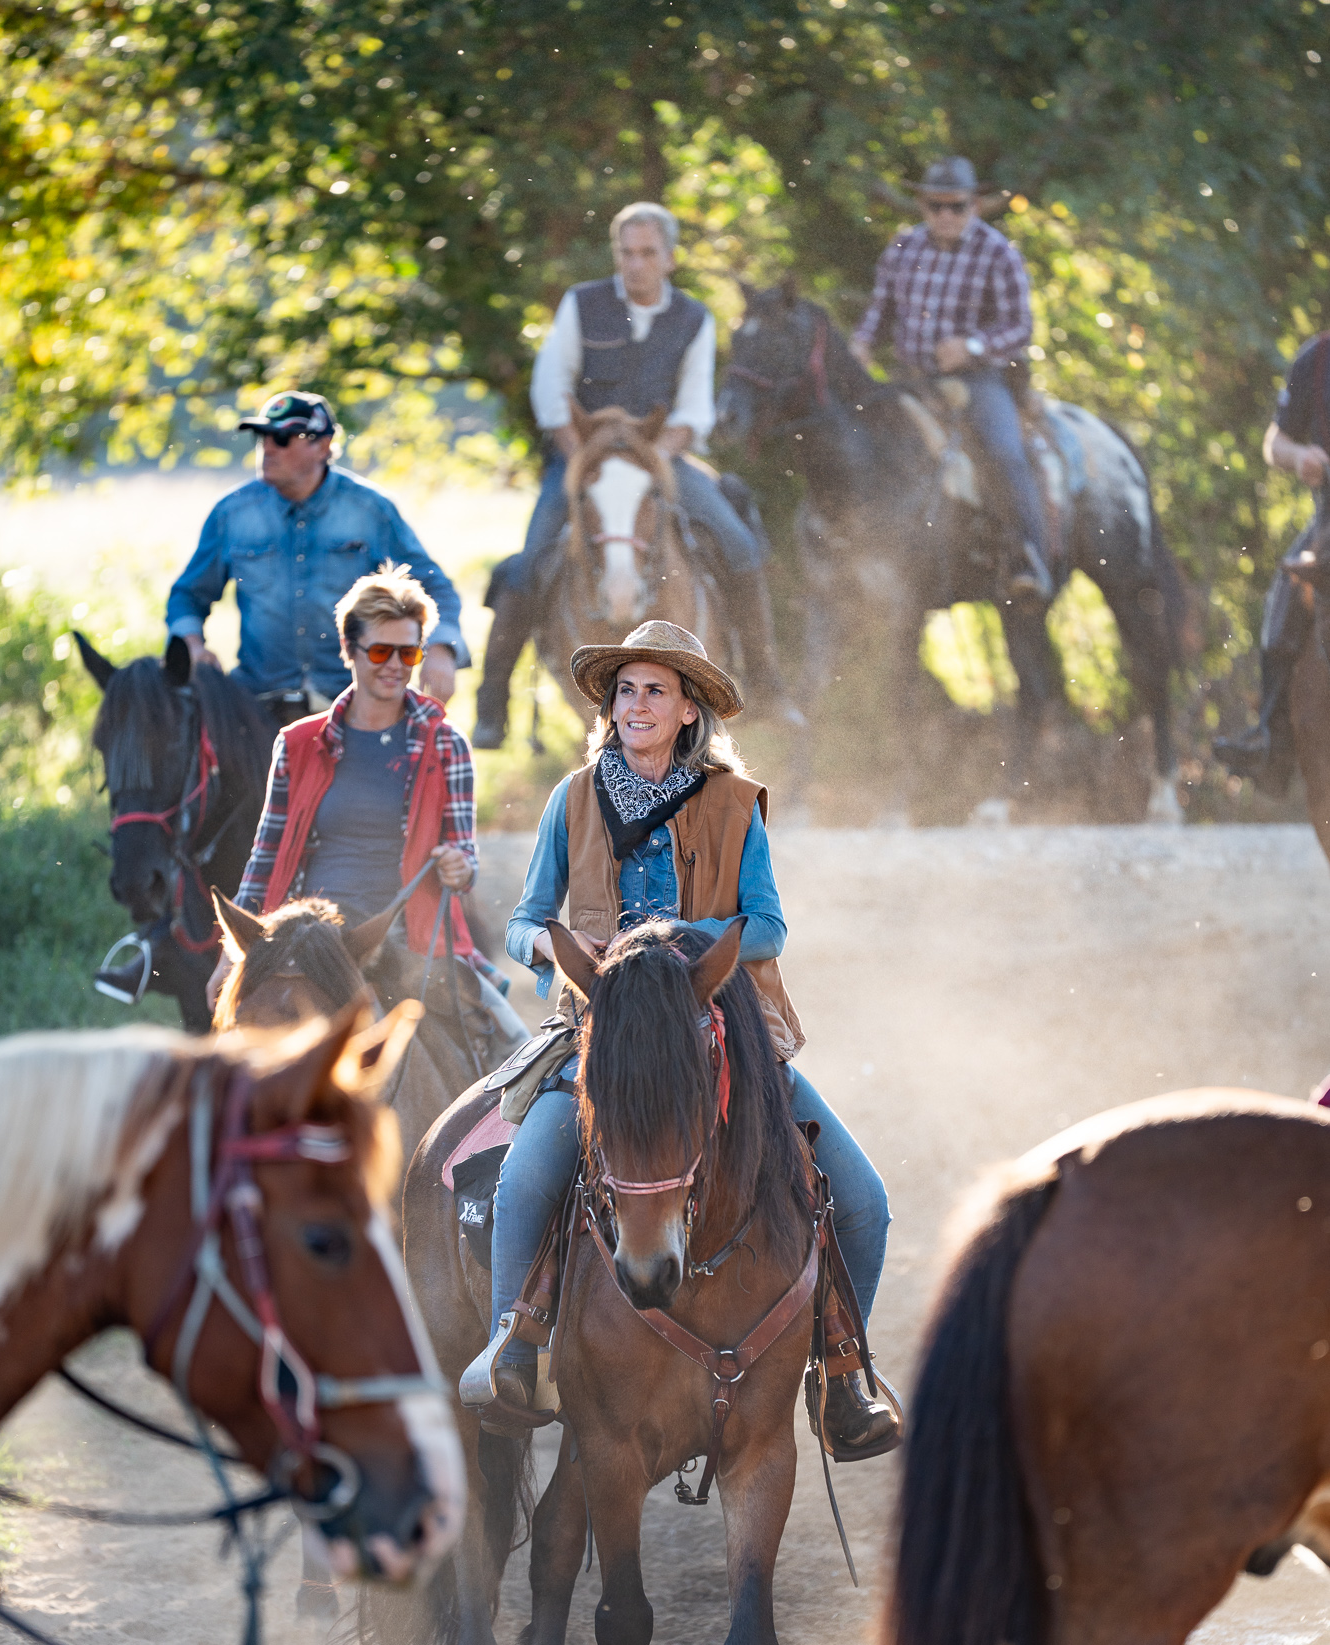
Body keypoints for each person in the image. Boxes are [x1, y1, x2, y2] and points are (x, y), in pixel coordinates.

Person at [473, 617, 896, 1461]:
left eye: (654, 692)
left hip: (717, 1032)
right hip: (601, 1034)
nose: (635, 705)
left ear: (688, 711)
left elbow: (766, 927)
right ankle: (511, 1352)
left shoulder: (734, 805)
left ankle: (838, 1373)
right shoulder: (571, 799)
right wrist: (549, 946)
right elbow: (523, 920)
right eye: (624, 691)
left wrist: (668, 945)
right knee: (523, 1179)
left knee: (861, 1200)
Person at [473, 202, 781, 747]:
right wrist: (583, 458)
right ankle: (492, 705)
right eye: (626, 253)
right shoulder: (582, 304)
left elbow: (693, 411)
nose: (635, 264)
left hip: (661, 460)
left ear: (670, 258)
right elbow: (552, 390)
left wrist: (649, 461)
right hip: (581, 459)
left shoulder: (694, 318)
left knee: (738, 545)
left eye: (647, 253)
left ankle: (764, 683)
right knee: (528, 563)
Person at [213, 563, 520, 1051]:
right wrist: (228, 958)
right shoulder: (297, 743)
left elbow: (466, 862)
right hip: (308, 941)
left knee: (513, 1042)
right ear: (348, 648)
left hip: (408, 938)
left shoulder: (447, 745)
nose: (395, 665)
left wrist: (458, 866)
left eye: (408, 652)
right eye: (380, 651)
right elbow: (264, 858)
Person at [166, 390, 468, 727]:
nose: (268, 448)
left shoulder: (370, 510)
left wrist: (441, 649)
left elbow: (434, 587)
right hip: (256, 707)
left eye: (282, 438)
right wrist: (191, 645)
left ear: (323, 447)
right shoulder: (231, 514)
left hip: (353, 707)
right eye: (262, 437)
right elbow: (187, 595)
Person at [851, 156, 1052, 604]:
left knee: (1004, 451)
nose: (945, 215)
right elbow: (879, 312)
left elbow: (1020, 327)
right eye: (935, 206)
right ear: (922, 206)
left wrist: (972, 346)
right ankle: (861, 549)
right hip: (910, 379)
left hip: (978, 381)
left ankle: (1028, 555)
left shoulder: (998, 252)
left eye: (956, 206)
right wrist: (862, 343)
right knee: (857, 438)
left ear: (974, 206)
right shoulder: (902, 248)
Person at [1214, 332, 1330, 794]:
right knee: (1281, 612)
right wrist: (1299, 455)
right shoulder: (1316, 360)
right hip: (1329, 521)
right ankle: (1271, 741)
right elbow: (1275, 443)